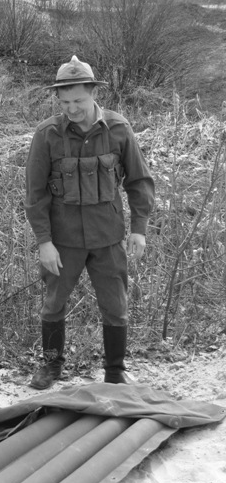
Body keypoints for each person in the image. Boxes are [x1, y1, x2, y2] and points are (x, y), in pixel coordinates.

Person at [25, 55, 155, 390]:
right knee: (53, 304)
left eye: (79, 101)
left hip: (108, 237)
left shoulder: (119, 129)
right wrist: (44, 242)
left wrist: (139, 229)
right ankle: (51, 365)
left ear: (94, 93)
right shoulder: (47, 135)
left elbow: (139, 181)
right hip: (63, 240)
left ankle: (115, 370)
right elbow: (35, 194)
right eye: (65, 102)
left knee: (115, 305)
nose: (72, 109)